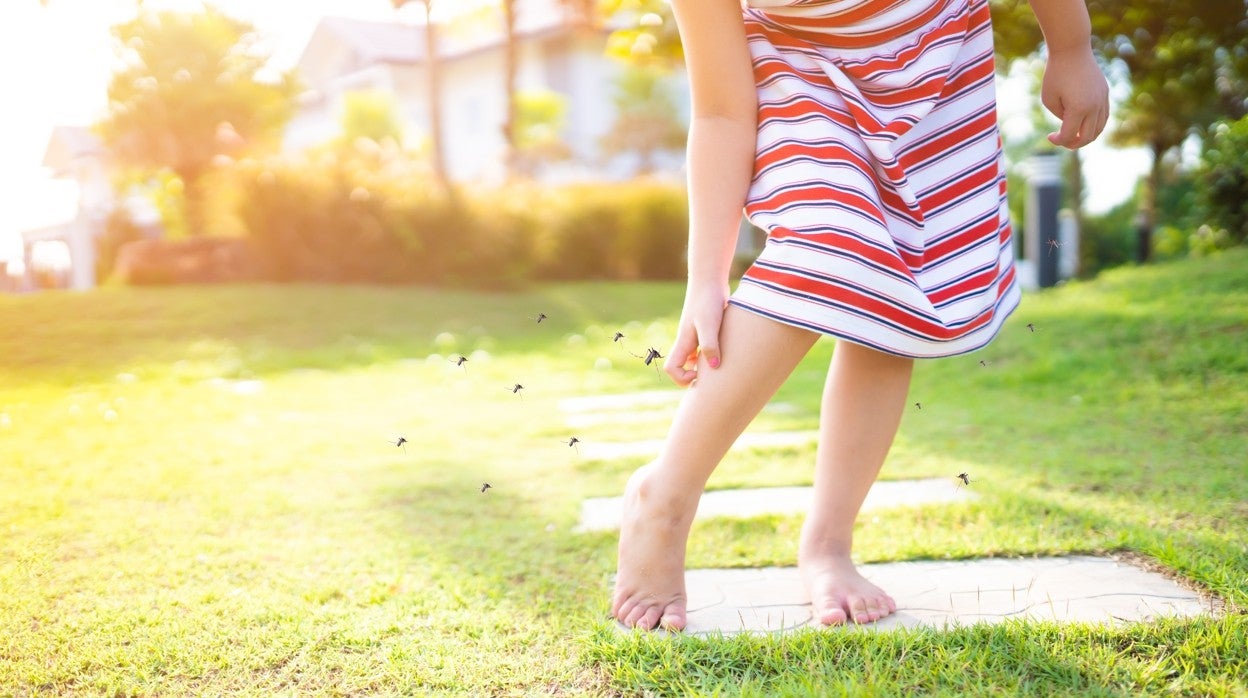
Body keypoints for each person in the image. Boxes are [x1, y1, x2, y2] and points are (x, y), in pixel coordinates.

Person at [612, 0, 1109, 631]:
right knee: (827, 234)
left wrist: (1071, 45)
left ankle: (829, 544)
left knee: (901, 292)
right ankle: (665, 496)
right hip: (805, 70)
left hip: (935, 64)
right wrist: (706, 278)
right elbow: (720, 111)